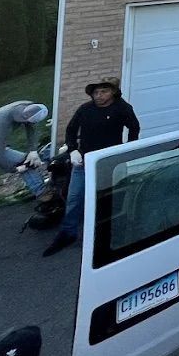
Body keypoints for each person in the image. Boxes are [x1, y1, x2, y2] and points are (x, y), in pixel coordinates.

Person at [42, 77, 140, 258]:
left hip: (107, 162)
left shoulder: (121, 108)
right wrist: (73, 151)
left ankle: (104, 238)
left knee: (105, 199)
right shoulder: (85, 109)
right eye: (96, 92)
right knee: (74, 197)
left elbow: (134, 127)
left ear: (113, 93)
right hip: (84, 160)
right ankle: (68, 233)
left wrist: (127, 149)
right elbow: (71, 130)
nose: (99, 96)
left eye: (104, 91)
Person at [0, 101, 48, 202]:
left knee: (26, 162)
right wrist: (15, 169)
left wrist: (33, 151)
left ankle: (43, 193)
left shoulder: (28, 106)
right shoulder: (2, 121)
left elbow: (32, 128)